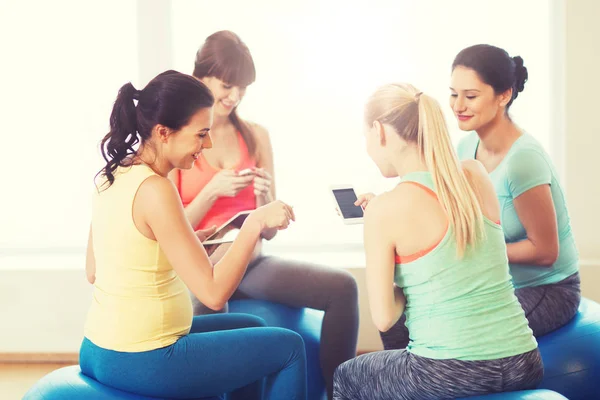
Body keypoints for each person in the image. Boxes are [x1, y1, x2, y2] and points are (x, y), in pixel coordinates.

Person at [80, 70, 306, 400]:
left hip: (98, 349)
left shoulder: (113, 174)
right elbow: (213, 295)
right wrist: (254, 223)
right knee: (290, 348)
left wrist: (188, 241)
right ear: (163, 132)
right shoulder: (157, 189)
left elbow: (96, 268)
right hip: (145, 358)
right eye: (201, 134)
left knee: (253, 328)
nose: (208, 144)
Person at [168, 30, 359, 399]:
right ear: (199, 77)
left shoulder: (255, 136)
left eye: (242, 89)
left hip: (249, 260)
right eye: (227, 85)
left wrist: (265, 199)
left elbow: (267, 232)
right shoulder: (178, 137)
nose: (234, 97)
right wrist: (210, 194)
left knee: (343, 288)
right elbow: (173, 229)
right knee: (212, 295)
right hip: (198, 264)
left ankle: (339, 393)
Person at [333, 83, 543, 399]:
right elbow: (459, 251)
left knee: (347, 376)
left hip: (450, 372)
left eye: (365, 137)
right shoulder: (475, 174)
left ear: (379, 131)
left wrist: (395, 266)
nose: (367, 147)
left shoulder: (385, 210)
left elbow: (385, 316)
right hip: (524, 361)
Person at [451, 44, 581, 337]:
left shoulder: (523, 160)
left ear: (504, 95)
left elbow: (545, 251)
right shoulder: (465, 149)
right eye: (453, 93)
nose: (458, 106)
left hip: (549, 289)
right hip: (499, 282)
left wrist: (478, 252)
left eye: (470, 96)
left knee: (460, 332)